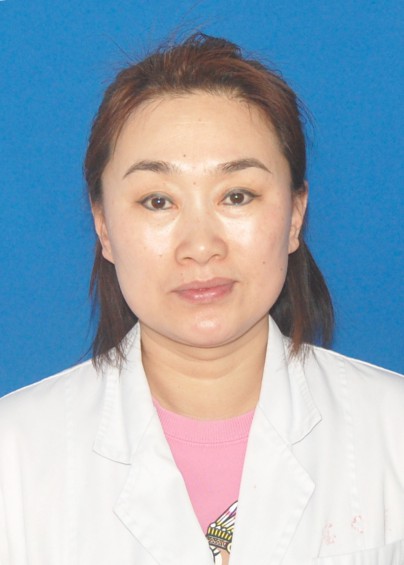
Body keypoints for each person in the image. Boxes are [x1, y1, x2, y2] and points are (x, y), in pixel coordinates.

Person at [0, 33, 403, 565]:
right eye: (157, 201)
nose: (200, 246)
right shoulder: (14, 455)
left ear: (294, 216)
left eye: (237, 196)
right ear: (103, 227)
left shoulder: (392, 431)